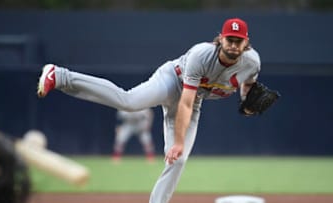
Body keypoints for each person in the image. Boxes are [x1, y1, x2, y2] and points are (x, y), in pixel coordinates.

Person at [37, 18, 261, 203]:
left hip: (195, 100)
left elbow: (248, 83)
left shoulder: (252, 63)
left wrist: (246, 98)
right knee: (129, 101)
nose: (233, 45)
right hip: (172, 80)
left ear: (246, 43)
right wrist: (179, 142)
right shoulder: (202, 55)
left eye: (238, 41)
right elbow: (185, 101)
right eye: (229, 39)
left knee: (178, 161)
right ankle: (60, 76)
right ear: (221, 39)